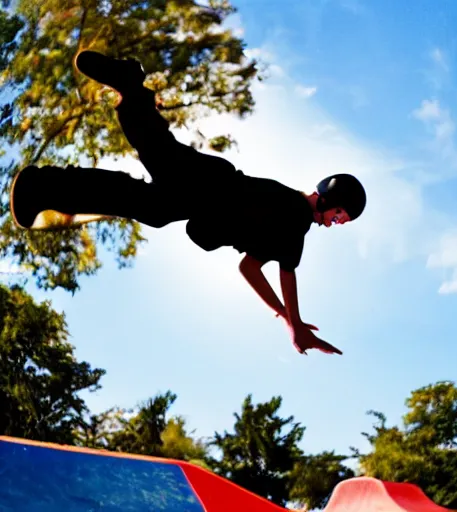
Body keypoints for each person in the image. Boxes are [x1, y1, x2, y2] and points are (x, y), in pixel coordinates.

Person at [10, 50, 367, 356]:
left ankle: (44, 186)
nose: (336, 223)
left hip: (203, 193)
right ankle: (48, 178)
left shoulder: (283, 227)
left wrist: (282, 315)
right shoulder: (296, 221)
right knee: (152, 160)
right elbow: (287, 274)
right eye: (340, 215)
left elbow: (249, 269)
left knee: (151, 185)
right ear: (332, 198)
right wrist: (294, 323)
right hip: (208, 186)